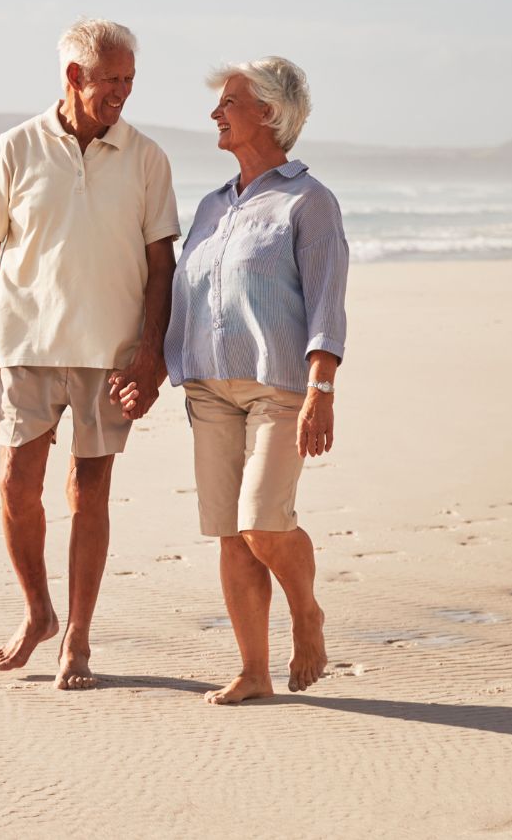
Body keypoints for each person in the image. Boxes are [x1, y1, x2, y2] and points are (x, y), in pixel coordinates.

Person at [0, 17, 180, 690]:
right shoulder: (15, 148)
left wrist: (148, 354)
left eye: (131, 80)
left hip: (109, 352)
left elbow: (161, 265)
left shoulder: (146, 158)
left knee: (90, 491)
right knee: (16, 486)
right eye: (112, 79)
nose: (123, 93)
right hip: (23, 346)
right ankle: (38, 611)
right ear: (75, 76)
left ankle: (77, 634)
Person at [124, 56, 347, 704]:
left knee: (263, 523)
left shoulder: (309, 201)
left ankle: (307, 613)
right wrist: (153, 366)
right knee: (231, 532)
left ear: (271, 114)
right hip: (208, 390)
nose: (216, 113)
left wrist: (321, 390)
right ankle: (254, 670)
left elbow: (328, 303)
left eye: (230, 102)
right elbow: (188, 295)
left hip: (279, 388)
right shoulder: (212, 205)